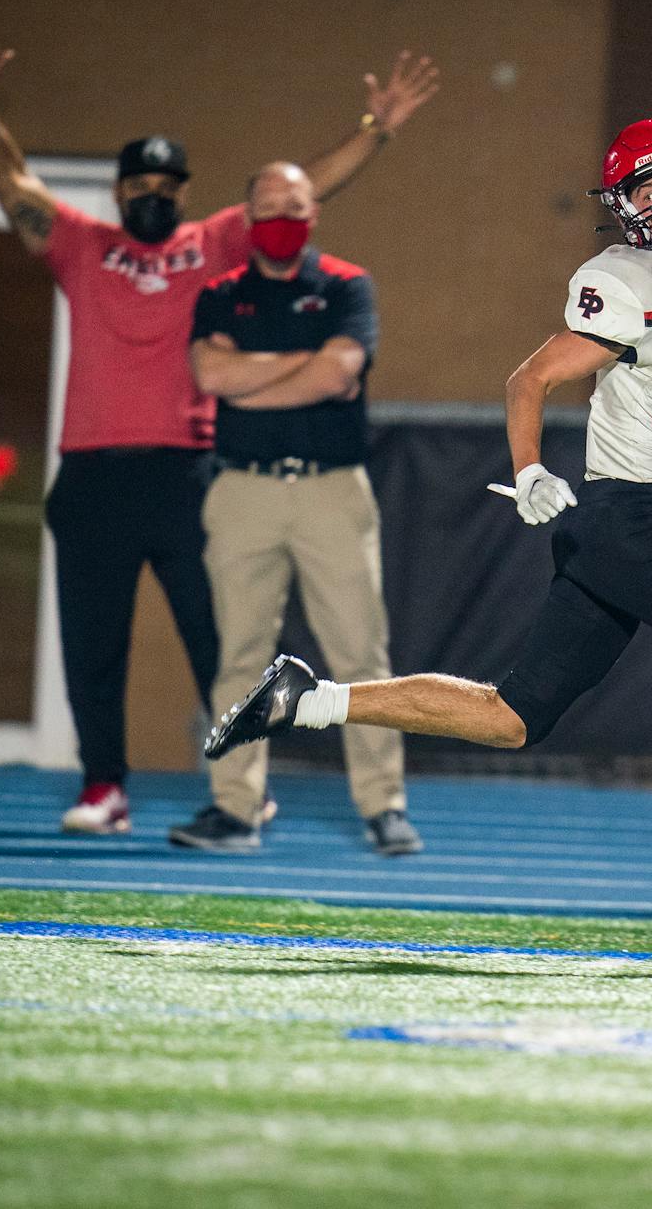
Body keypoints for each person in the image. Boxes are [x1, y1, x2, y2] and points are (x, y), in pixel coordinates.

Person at [204, 119, 652, 940]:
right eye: (644, 189)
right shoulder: (622, 278)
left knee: (513, 716)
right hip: (623, 518)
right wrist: (531, 468)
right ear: (624, 209)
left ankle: (307, 699)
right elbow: (531, 376)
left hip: (636, 521)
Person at [0, 13, 438, 835]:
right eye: (141, 188)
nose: (154, 198)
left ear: (183, 194)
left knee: (223, 645)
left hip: (191, 472)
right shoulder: (80, 245)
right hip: (94, 473)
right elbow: (11, 183)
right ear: (120, 192)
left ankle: (240, 793)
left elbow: (304, 188)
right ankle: (104, 787)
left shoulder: (214, 246)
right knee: (93, 645)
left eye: (168, 189)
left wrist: (375, 130)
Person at [168, 162, 414, 855]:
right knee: (238, 656)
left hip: (331, 490)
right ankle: (236, 808)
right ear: (247, 219)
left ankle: (383, 806)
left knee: (360, 654)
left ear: (314, 213)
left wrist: (253, 372)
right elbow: (210, 376)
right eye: (269, 204)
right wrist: (300, 366)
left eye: (295, 204)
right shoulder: (219, 294)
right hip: (241, 491)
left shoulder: (345, 285)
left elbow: (341, 371)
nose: (282, 215)